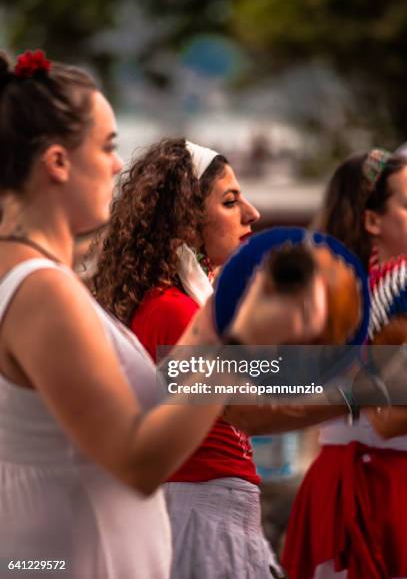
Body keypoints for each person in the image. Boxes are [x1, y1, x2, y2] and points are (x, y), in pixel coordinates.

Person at [0, 50, 329, 579]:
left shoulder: (50, 284)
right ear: (57, 162)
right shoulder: (51, 292)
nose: (115, 165)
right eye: (107, 146)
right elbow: (151, 452)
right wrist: (372, 383)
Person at [93, 139, 292, 578]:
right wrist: (369, 384)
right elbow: (249, 407)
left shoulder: (172, 304)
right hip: (201, 519)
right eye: (230, 201)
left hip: (207, 514)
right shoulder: (174, 310)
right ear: (186, 221)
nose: (252, 214)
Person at [281, 149, 407, 578]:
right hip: (386, 485)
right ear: (375, 218)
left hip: (332, 478)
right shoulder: (386, 300)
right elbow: (389, 418)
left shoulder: (320, 298)